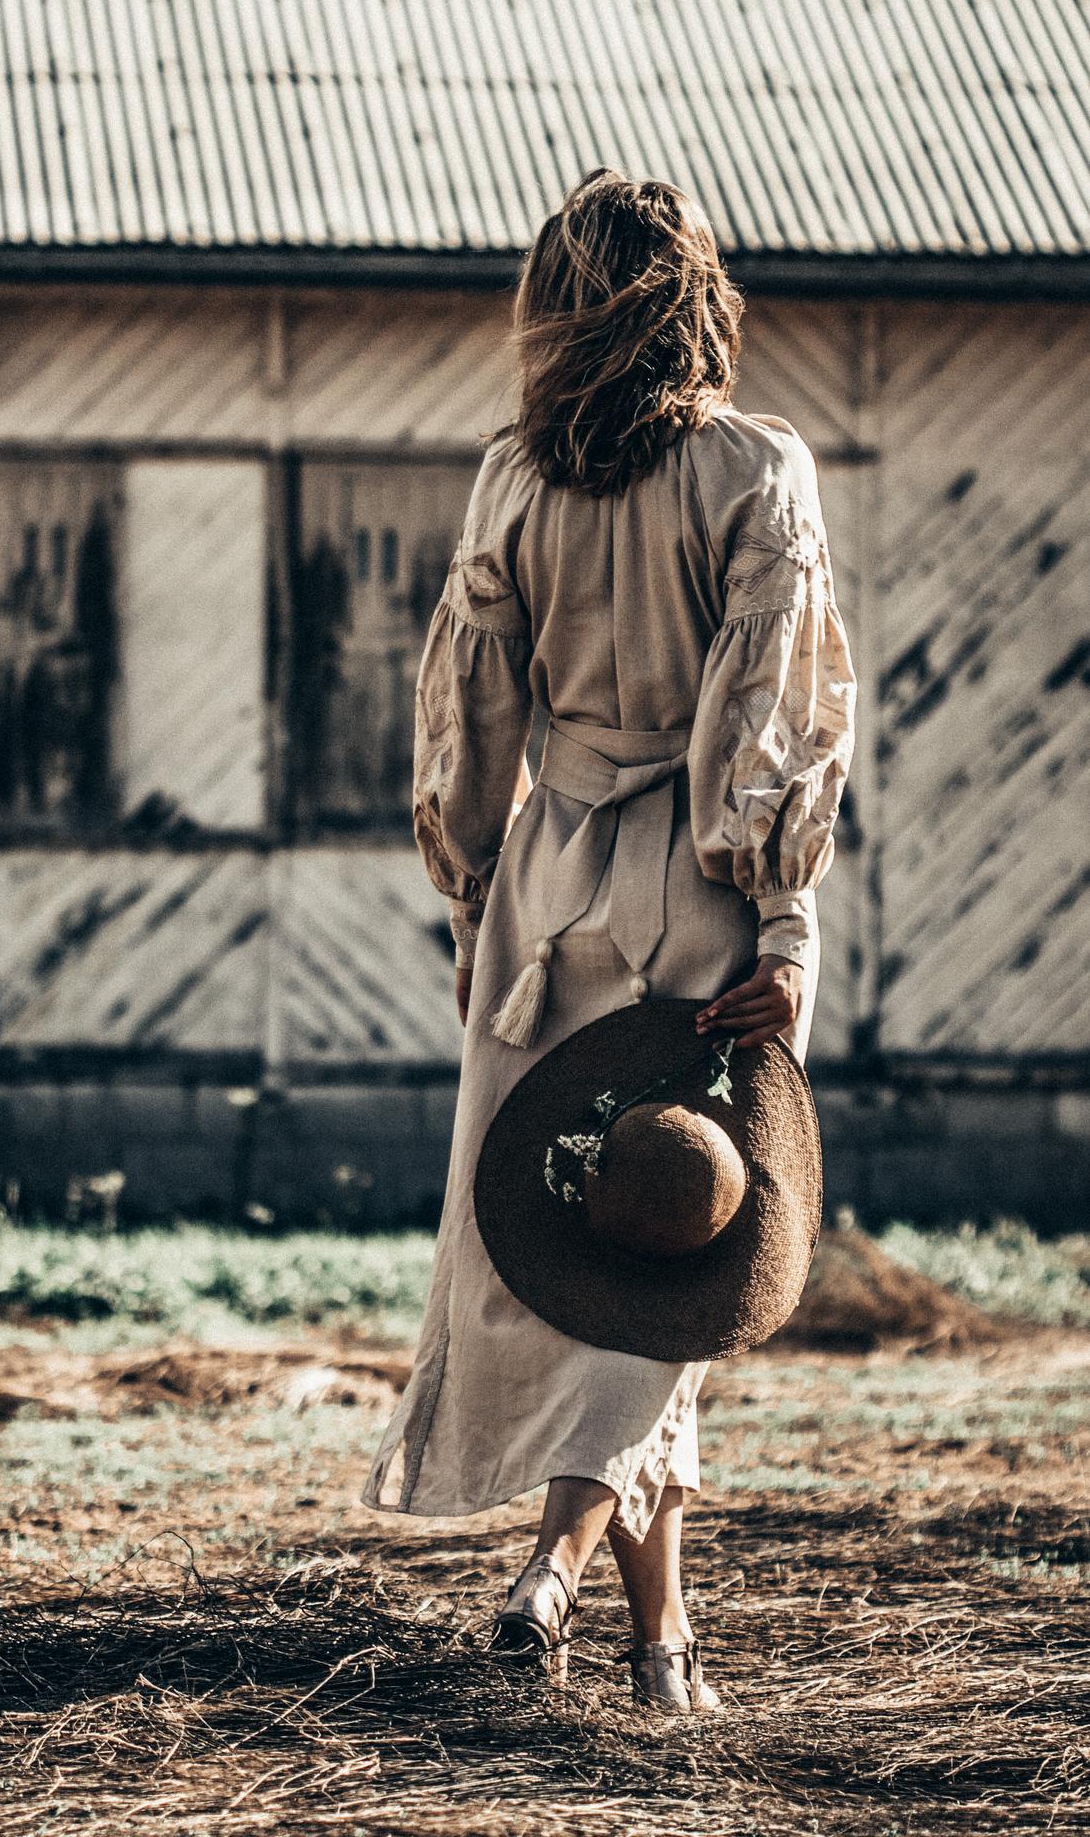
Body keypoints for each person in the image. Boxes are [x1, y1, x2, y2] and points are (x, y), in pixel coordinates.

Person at [361, 168, 857, 1712]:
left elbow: (468, 724)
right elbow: (774, 719)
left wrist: (467, 906)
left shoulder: (510, 479)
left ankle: (658, 1649)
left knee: (585, 1264)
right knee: (677, 1279)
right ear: (690, 298)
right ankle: (570, 1581)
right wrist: (784, 917)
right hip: (695, 903)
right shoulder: (750, 470)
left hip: (539, 899)